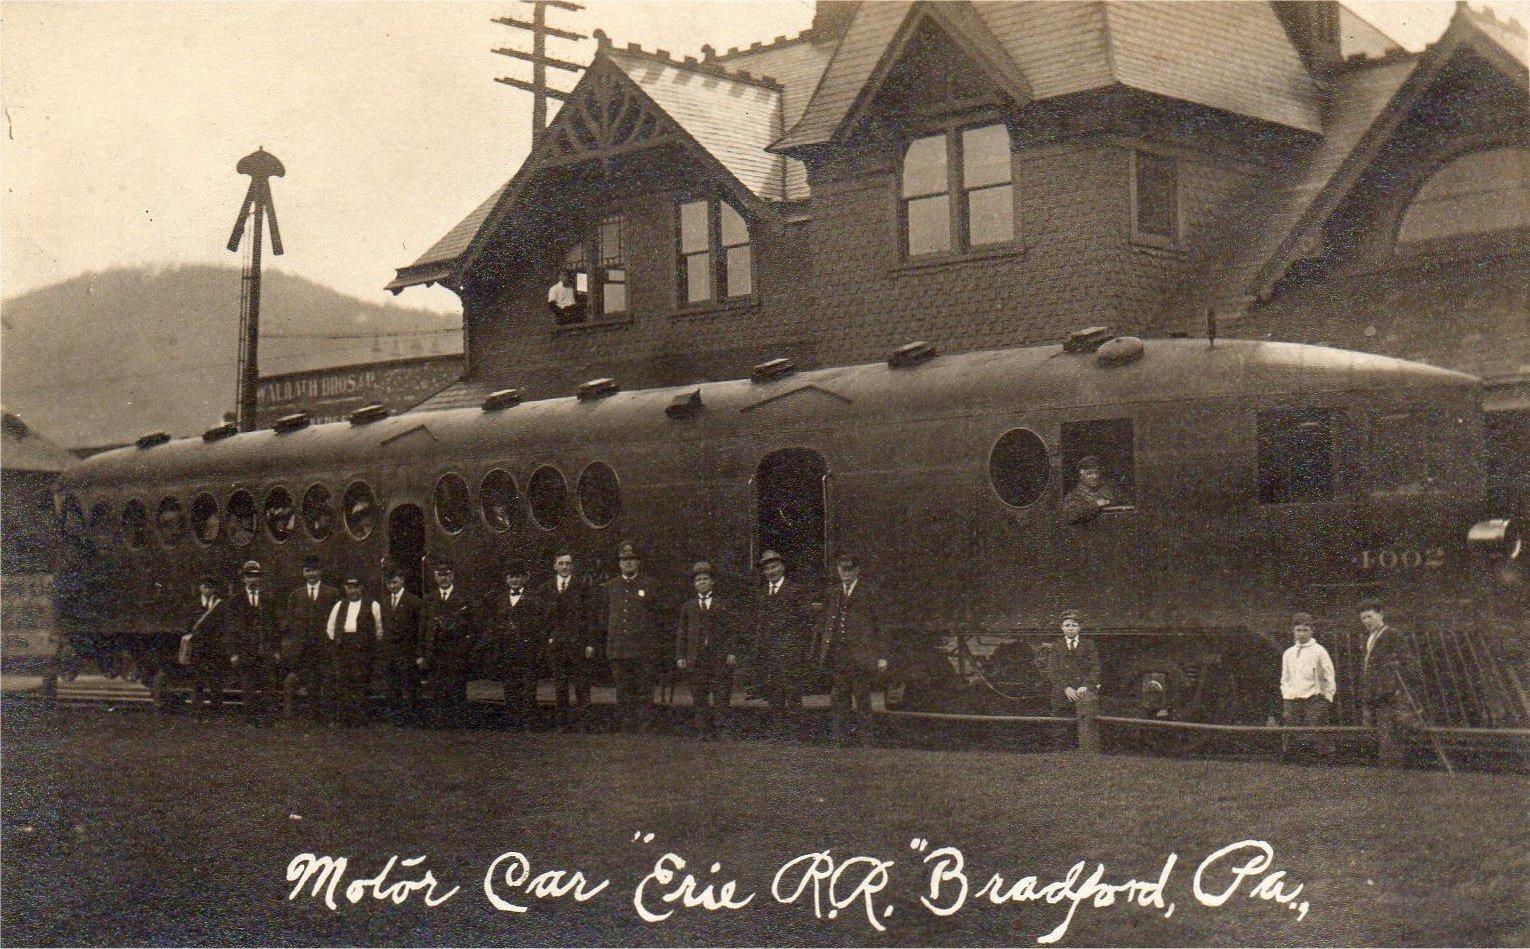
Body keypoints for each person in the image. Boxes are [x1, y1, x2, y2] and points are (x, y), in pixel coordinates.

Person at [815, 554, 887, 745]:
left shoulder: (868, 592)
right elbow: (826, 621)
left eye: (850, 570)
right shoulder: (833, 592)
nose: (846, 574)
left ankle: (866, 740)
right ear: (838, 571)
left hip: (861, 656)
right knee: (839, 698)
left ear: (857, 571)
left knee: (862, 698)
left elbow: (880, 626)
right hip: (839, 655)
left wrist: (882, 657)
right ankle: (840, 739)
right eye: (842, 569)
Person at [596, 541, 661, 733]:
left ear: (638, 562)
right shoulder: (609, 587)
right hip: (618, 649)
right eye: (624, 560)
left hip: (643, 649)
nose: (628, 563)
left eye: (632, 560)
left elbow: (658, 617)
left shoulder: (650, 585)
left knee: (644, 690)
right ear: (619, 563)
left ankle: (644, 726)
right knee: (623, 690)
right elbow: (603, 618)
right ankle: (626, 726)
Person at [752, 549, 813, 740]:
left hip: (790, 651)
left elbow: (805, 622)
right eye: (767, 568)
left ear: (783, 567)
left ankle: (797, 734)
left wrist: (796, 647)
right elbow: (760, 624)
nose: (771, 571)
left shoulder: (795, 590)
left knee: (792, 692)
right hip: (770, 652)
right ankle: (778, 732)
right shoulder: (762, 594)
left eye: (774, 566)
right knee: (774, 693)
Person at [675, 561, 738, 740]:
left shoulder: (723, 604)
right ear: (694, 584)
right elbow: (682, 633)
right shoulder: (688, 607)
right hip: (696, 657)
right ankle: (703, 730)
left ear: (712, 582)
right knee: (699, 696)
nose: (702, 582)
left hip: (718, 657)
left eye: (705, 579)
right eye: (698, 580)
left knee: (721, 695)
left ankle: (723, 729)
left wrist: (732, 652)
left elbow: (731, 631)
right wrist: (681, 655)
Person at [483, 559, 545, 729]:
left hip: (527, 652)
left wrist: (537, 651)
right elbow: (494, 627)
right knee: (510, 689)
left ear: (525, 579)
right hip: (507, 652)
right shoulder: (499, 600)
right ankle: (513, 725)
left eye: (518, 577)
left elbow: (540, 627)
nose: (514, 580)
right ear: (506, 579)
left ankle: (528, 726)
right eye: (511, 577)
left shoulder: (535, 599)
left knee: (528, 690)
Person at [1360, 600, 1421, 768]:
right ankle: (1389, 770)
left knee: (1393, 734)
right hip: (1376, 694)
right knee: (1384, 734)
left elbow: (1409, 663)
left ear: (1380, 615)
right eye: (1363, 618)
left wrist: (1397, 675)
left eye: (1370, 616)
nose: (1366, 621)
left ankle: (1394, 770)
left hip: (1392, 693)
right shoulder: (1369, 638)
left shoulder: (1392, 635)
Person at [420, 559, 480, 728]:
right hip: (436, 652)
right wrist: (422, 653)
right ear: (435, 577)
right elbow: (423, 628)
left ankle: (458, 724)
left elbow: (472, 627)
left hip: (455, 652)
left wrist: (465, 649)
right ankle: (440, 725)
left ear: (452, 576)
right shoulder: (430, 599)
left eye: (446, 575)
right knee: (437, 689)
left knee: (457, 689)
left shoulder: (463, 599)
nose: (443, 578)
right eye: (440, 575)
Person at [282, 555, 341, 722]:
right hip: (304, 649)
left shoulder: (332, 593)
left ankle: (328, 718)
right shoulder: (296, 595)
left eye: (314, 570)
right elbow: (291, 622)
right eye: (308, 571)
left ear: (320, 572)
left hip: (324, 648)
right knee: (310, 683)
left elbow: (338, 620)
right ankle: (313, 717)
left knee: (327, 682)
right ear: (303, 573)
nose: (311, 574)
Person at [226, 560, 283, 724]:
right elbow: (230, 629)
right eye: (249, 576)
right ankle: (249, 719)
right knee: (248, 687)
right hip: (245, 651)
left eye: (255, 576)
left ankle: (269, 719)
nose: (252, 580)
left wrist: (277, 650)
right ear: (244, 579)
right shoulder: (235, 601)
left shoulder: (268, 600)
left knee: (269, 686)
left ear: (260, 579)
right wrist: (233, 653)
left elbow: (275, 627)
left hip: (265, 650)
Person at [325, 575, 383, 726]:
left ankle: (361, 719)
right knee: (344, 683)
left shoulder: (373, 605)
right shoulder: (339, 605)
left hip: (363, 650)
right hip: (344, 648)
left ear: (361, 588)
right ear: (345, 588)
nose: (353, 590)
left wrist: (370, 645)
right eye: (349, 587)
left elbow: (379, 628)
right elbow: (330, 627)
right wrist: (338, 641)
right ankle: (345, 719)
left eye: (356, 587)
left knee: (361, 683)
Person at [1280, 612, 1336, 758]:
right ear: (1293, 631)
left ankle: (1324, 758)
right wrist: (1286, 694)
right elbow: (1285, 677)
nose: (1302, 634)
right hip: (1293, 697)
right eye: (1298, 630)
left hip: (1314, 697)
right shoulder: (1289, 653)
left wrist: (1327, 697)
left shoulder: (1319, 651)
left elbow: (1329, 675)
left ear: (1312, 631)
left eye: (1305, 630)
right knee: (1291, 728)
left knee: (1318, 728)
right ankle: (1291, 758)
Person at [379, 563, 424, 726]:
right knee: (392, 686)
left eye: (395, 582)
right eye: (390, 583)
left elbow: (420, 629)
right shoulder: (384, 602)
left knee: (409, 685)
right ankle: (395, 719)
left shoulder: (414, 601)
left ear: (402, 581)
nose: (392, 586)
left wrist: (419, 653)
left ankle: (412, 718)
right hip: (390, 652)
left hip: (407, 651)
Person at [184, 575, 229, 719]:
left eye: (211, 587)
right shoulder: (192, 606)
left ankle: (216, 712)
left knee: (216, 682)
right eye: (205, 586)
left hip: (215, 649)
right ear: (200, 588)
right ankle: (197, 712)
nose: (208, 589)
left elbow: (225, 626)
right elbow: (188, 628)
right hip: (198, 649)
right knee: (198, 682)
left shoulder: (221, 605)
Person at [1061, 456, 1130, 524]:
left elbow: (1127, 504)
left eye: (1096, 472)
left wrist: (1110, 502)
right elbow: (1069, 516)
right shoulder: (1074, 495)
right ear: (1081, 476)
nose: (1095, 476)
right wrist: (1096, 505)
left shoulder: (1111, 490)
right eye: (1089, 473)